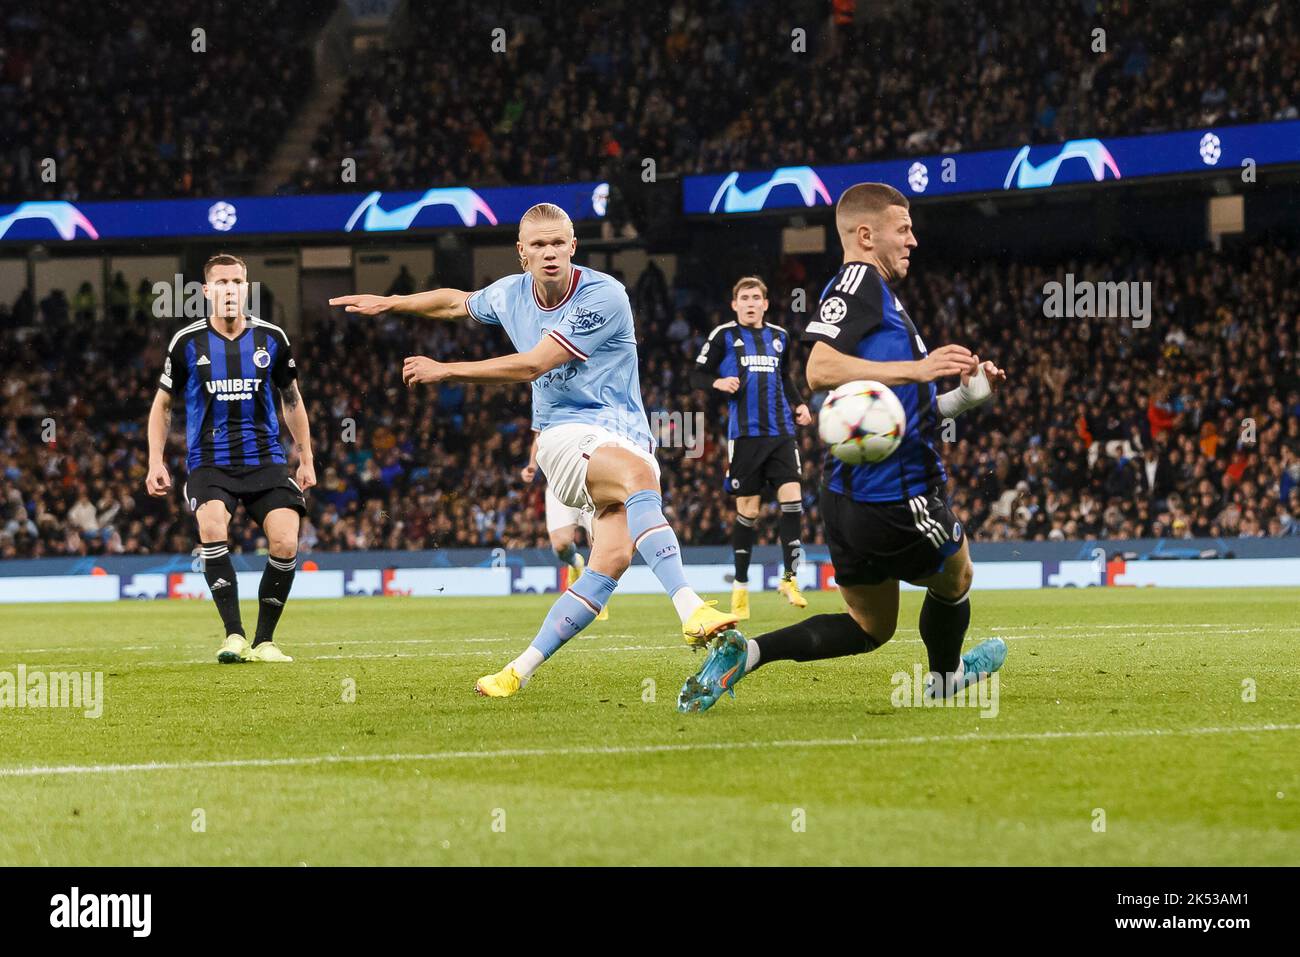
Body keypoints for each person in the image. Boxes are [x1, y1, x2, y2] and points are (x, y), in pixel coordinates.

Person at [331, 202, 736, 697]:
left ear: (573, 247)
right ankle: (691, 606)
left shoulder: (604, 296)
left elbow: (533, 365)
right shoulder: (509, 293)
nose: (549, 253)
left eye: (558, 243)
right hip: (563, 435)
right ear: (521, 253)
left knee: (609, 561)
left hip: (627, 434)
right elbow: (456, 302)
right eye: (538, 245)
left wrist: (447, 367)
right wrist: (393, 302)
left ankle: (515, 672)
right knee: (637, 478)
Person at [679, 183, 1008, 712]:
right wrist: (919, 367)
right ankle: (946, 683)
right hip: (896, 492)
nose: (913, 240)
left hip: (848, 498)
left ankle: (749, 654)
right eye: (903, 229)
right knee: (958, 575)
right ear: (865, 234)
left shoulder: (879, 299)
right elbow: (818, 369)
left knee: (869, 626)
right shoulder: (859, 282)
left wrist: (965, 396)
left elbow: (902, 411)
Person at [146, 253, 315, 664]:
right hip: (210, 462)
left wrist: (305, 457)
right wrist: (155, 461)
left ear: (246, 288)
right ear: (206, 291)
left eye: (236, 282)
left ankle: (264, 641)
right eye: (220, 283)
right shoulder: (186, 342)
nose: (228, 290)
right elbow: (162, 405)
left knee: (285, 539)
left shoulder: (272, 338)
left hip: (265, 460)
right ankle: (234, 635)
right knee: (211, 524)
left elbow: (292, 399)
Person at [693, 275, 812, 618]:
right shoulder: (724, 336)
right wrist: (716, 381)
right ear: (734, 305)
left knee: (793, 500)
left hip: (781, 434)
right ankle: (740, 587)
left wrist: (799, 404)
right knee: (749, 512)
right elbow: (696, 375)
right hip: (744, 437)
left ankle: (789, 577)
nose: (749, 303)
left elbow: (785, 376)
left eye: (755, 297)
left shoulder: (780, 337)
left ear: (764, 303)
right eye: (743, 298)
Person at [522, 429, 609, 620]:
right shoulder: (547, 401)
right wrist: (531, 465)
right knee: (560, 545)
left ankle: (596, 598)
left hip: (591, 480)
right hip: (559, 484)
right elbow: (539, 434)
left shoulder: (595, 403)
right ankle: (576, 563)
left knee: (599, 540)